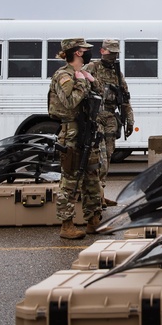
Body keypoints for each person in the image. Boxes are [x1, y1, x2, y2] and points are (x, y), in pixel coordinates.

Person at [49, 38, 105, 239]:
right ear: (78, 53)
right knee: (71, 179)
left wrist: (91, 80)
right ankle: (66, 225)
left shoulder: (83, 74)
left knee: (92, 176)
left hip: (89, 130)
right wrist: (81, 81)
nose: (89, 52)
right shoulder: (63, 76)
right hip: (72, 133)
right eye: (85, 50)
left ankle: (94, 221)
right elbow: (71, 102)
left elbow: (101, 96)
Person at [82, 39, 134, 208]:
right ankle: (95, 195)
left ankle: (100, 193)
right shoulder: (91, 68)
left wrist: (129, 119)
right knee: (100, 157)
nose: (113, 56)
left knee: (108, 155)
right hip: (95, 116)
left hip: (111, 117)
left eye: (115, 53)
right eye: (110, 52)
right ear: (102, 51)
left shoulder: (117, 74)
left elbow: (125, 98)